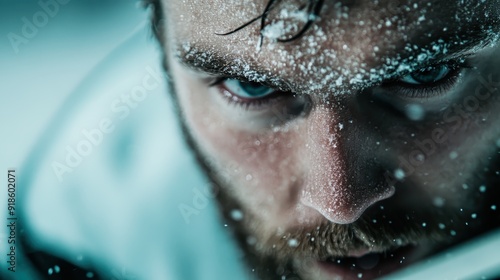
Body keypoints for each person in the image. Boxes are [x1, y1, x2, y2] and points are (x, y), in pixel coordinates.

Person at [144, 0, 500, 279]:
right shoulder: (102, 242)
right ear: (164, 64)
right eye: (253, 86)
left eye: (424, 74)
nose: (341, 204)